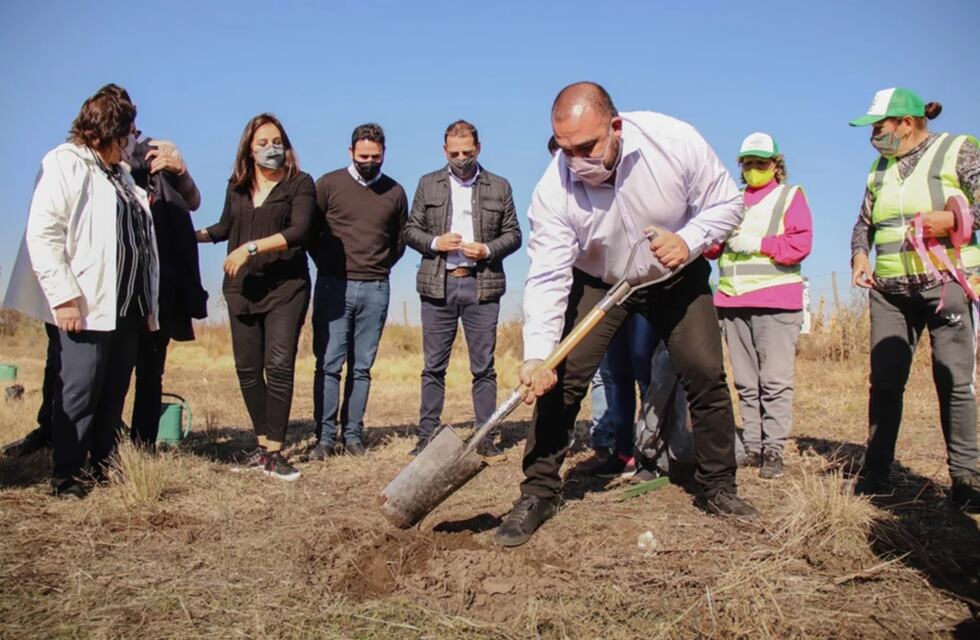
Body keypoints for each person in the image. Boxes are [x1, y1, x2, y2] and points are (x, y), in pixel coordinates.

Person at [494, 81, 757, 548]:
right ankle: (538, 492)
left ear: (616, 127)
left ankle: (719, 486)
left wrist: (689, 239)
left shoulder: (672, 141)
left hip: (674, 272)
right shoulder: (552, 189)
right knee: (562, 377)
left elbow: (728, 203)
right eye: (564, 148)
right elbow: (550, 276)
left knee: (703, 371)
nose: (575, 159)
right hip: (601, 282)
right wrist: (538, 355)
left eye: (586, 146)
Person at [6, 86, 205, 456]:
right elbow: (46, 231)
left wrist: (181, 170)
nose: (131, 141)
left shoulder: (138, 166)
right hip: (87, 296)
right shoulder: (69, 162)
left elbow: (176, 213)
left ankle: (111, 458)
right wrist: (63, 295)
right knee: (78, 384)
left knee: (124, 384)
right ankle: (64, 464)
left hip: (137, 297)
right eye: (125, 132)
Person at [848, 88, 980, 509]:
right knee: (885, 383)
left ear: (907, 123)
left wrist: (956, 218)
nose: (873, 135)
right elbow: (862, 224)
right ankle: (877, 472)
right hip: (889, 293)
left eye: (879, 126)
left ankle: (967, 480)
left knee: (953, 381)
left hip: (945, 285)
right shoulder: (878, 169)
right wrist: (858, 257)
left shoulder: (956, 150)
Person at [197, 113, 315, 481]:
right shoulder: (237, 186)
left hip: (286, 288)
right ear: (249, 148)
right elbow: (224, 227)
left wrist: (250, 248)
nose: (271, 149)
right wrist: (187, 235)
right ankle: (263, 446)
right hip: (243, 289)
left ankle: (276, 452)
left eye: (277, 141)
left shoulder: (300, 184)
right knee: (248, 370)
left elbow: (300, 231)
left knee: (278, 366)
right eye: (262, 143)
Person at [403, 120, 522, 458]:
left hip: (481, 286)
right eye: (454, 153)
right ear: (444, 151)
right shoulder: (428, 184)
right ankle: (426, 436)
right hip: (437, 286)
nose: (460, 158)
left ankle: (485, 434)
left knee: (483, 367)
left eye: (466, 153)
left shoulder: (500, 186)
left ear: (478, 149)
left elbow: (513, 234)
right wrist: (436, 242)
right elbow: (411, 231)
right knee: (433, 366)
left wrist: (487, 250)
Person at [705, 132, 812, 480]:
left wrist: (758, 243)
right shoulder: (732, 200)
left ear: (776, 165)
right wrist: (714, 237)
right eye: (747, 163)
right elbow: (711, 250)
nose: (753, 169)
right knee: (746, 382)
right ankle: (752, 445)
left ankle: (774, 451)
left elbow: (800, 245)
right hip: (733, 300)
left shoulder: (789, 197)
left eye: (760, 163)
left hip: (776, 300)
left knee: (775, 381)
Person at [310, 123, 408, 459]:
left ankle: (353, 435)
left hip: (376, 286)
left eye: (375, 157)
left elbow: (399, 241)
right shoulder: (328, 185)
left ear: (384, 154)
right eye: (363, 156)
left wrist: (376, 267)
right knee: (328, 364)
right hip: (333, 285)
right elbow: (311, 232)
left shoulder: (395, 192)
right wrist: (329, 264)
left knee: (362, 367)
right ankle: (324, 438)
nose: (369, 161)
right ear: (350, 152)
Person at [584, 313, 656, 477]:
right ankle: (623, 454)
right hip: (616, 302)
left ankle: (651, 457)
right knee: (619, 375)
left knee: (645, 373)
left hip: (645, 301)